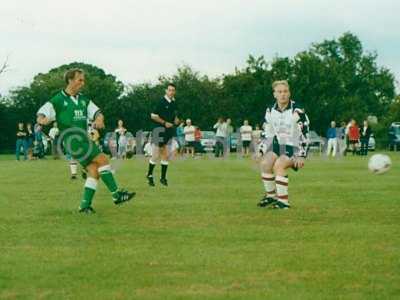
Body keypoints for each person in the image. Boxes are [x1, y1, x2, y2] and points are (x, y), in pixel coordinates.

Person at [37, 68, 135, 214]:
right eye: (79, 80)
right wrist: (42, 119)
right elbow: (41, 113)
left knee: (94, 171)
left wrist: (99, 119)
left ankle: (84, 206)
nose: (82, 83)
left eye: (83, 80)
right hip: (73, 140)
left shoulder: (84, 100)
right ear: (70, 80)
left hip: (83, 139)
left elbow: (97, 112)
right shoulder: (58, 100)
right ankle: (116, 195)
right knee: (103, 160)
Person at [257, 80, 308, 209]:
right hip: (279, 145)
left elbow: (305, 133)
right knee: (265, 163)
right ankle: (271, 196)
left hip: (294, 147)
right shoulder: (270, 110)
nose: (283, 94)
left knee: (279, 164)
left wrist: (302, 155)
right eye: (279, 92)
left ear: (289, 93)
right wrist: (261, 150)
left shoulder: (297, 110)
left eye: (285, 91)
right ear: (274, 94)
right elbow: (267, 132)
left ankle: (284, 202)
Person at [146, 83, 180, 187]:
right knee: (156, 154)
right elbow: (153, 116)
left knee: (166, 154)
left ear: (175, 92)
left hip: (169, 131)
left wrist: (176, 120)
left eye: (173, 90)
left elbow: (175, 116)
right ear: (166, 91)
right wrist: (164, 123)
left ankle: (163, 178)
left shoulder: (174, 102)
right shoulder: (161, 102)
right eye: (169, 90)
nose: (171, 92)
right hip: (159, 130)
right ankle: (150, 175)